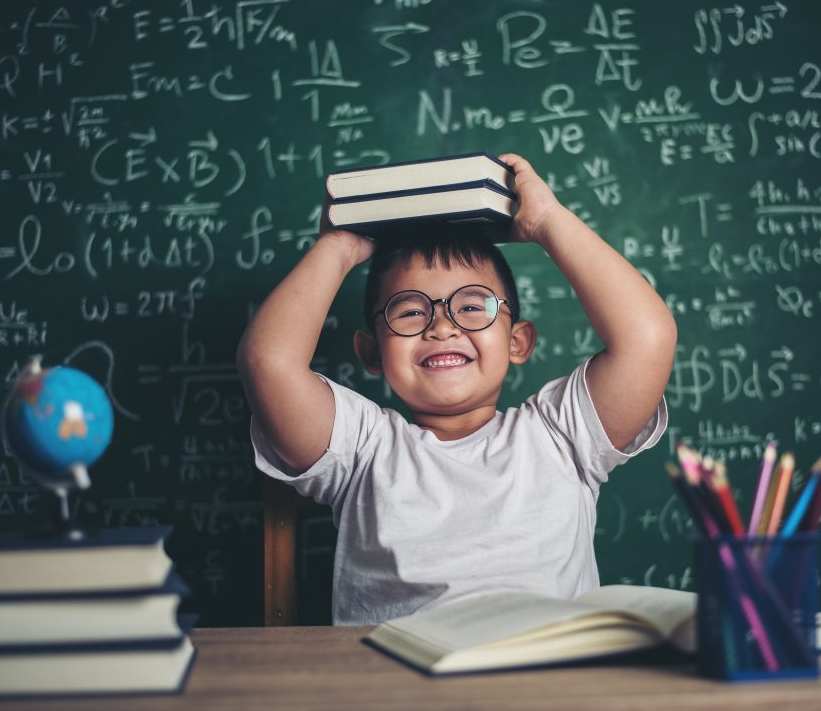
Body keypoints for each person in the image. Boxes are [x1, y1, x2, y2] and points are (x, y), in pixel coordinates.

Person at [237, 153, 677, 625]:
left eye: (472, 307)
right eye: (408, 311)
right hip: (398, 687)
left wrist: (549, 221)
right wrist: (338, 246)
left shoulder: (561, 436)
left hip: (544, 685)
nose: (442, 327)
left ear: (517, 342)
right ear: (370, 352)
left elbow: (646, 339)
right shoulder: (362, 448)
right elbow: (269, 363)